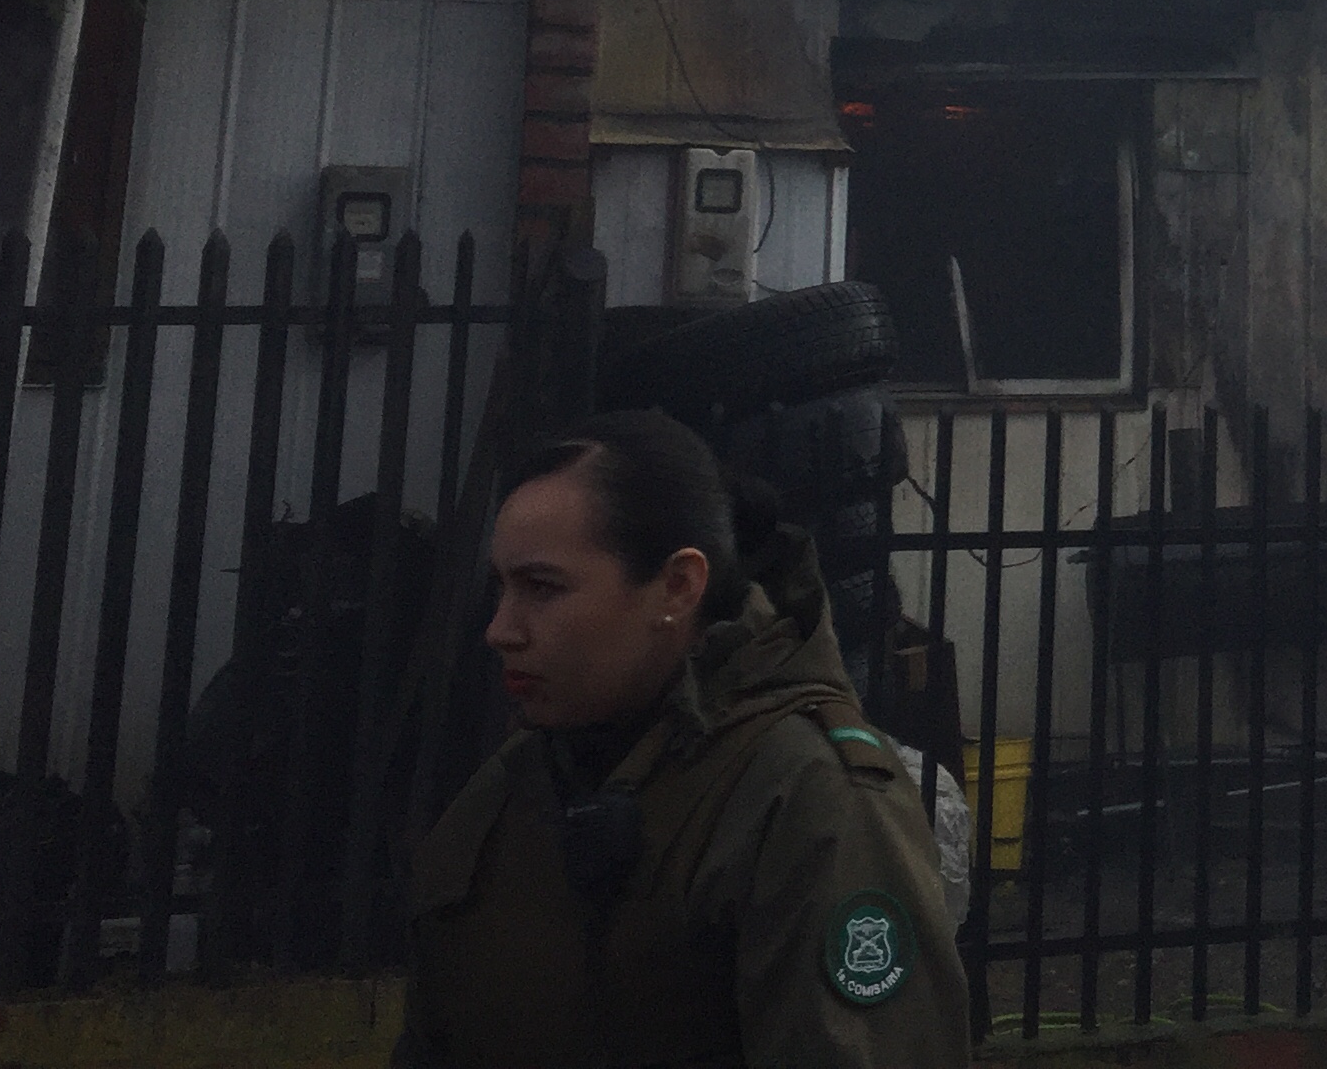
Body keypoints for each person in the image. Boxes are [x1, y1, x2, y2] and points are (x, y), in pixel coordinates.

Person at [398, 410, 974, 1067]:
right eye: (500, 589)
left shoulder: (811, 798)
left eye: (542, 588)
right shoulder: (510, 786)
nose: (501, 629)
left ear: (677, 586)